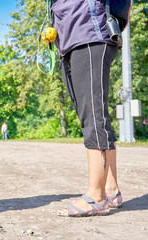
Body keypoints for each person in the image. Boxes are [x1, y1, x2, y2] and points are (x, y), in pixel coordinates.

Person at [51, 0, 124, 217]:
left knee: (93, 116)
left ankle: (96, 196)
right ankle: (111, 190)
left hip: (90, 35)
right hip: (69, 42)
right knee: (92, 115)